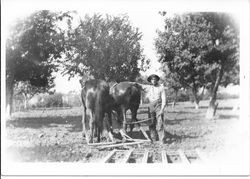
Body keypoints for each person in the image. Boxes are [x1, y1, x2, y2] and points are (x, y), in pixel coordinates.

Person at [136, 74, 167, 143]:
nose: (153, 80)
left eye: (155, 79)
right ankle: (153, 139)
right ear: (150, 81)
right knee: (151, 122)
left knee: (160, 122)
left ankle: (161, 140)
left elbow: (164, 98)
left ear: (157, 80)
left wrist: (162, 109)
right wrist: (132, 83)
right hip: (151, 106)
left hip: (158, 105)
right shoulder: (148, 87)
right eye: (152, 79)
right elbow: (140, 86)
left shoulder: (161, 88)